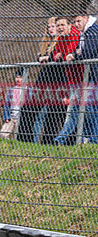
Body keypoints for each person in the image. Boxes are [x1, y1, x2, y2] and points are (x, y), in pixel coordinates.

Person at [17, 18, 59, 143]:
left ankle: (48, 143)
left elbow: (55, 56)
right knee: (28, 109)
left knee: (52, 115)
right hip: (43, 79)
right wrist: (43, 57)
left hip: (56, 80)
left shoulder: (61, 41)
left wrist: (47, 58)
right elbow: (40, 56)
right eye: (49, 27)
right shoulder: (46, 43)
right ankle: (24, 140)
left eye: (53, 26)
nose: (51, 29)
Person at [52, 16, 82, 145]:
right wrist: (56, 56)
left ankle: (61, 139)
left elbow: (69, 53)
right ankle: (65, 140)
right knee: (75, 112)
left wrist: (61, 56)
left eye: (62, 25)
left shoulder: (75, 34)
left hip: (81, 79)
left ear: (69, 25)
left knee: (74, 112)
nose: (60, 28)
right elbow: (55, 53)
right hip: (71, 79)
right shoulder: (61, 38)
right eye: (58, 25)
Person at [75, 13, 98, 143]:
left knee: (91, 106)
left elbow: (88, 52)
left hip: (95, 75)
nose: (77, 24)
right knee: (90, 107)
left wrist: (78, 54)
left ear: (86, 19)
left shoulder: (92, 31)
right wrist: (76, 54)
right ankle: (89, 136)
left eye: (79, 21)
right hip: (91, 76)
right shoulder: (84, 34)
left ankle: (93, 139)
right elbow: (79, 50)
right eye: (75, 22)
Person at [1, 69, 25, 139]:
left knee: (18, 137)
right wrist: (6, 116)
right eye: (17, 77)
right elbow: (7, 104)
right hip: (11, 116)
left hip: (20, 117)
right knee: (3, 134)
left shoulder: (27, 90)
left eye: (20, 77)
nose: (18, 79)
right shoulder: (11, 90)